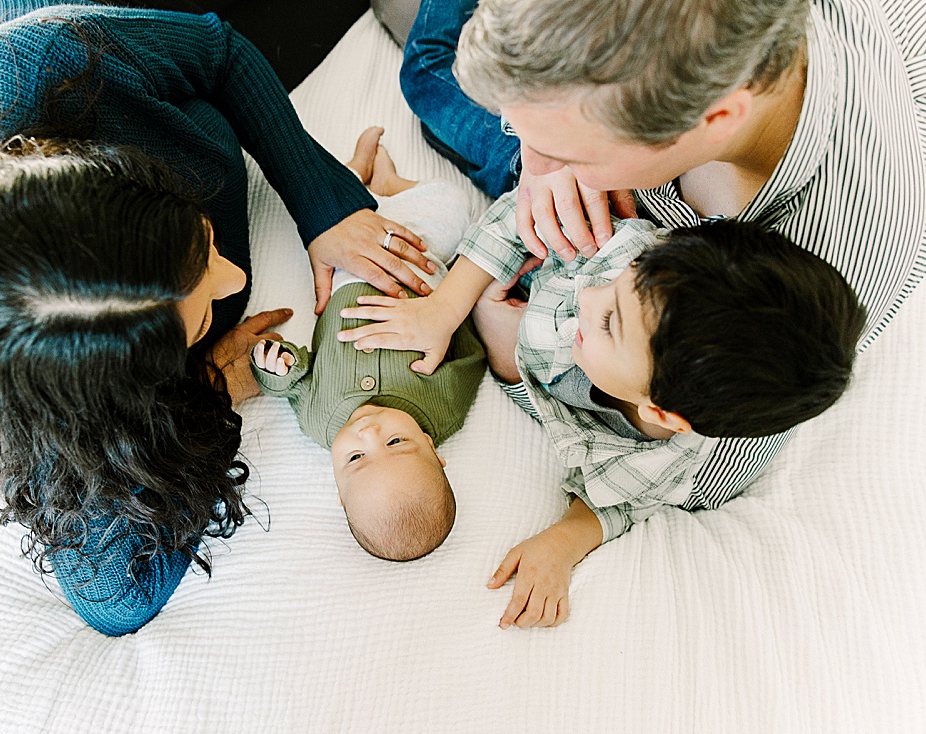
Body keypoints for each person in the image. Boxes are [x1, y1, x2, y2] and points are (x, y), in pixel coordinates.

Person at [0, 0, 435, 636]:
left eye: (200, 240)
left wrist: (323, 204)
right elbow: (114, 599)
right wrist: (213, 387)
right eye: (197, 321)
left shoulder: (56, 60)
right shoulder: (32, 364)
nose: (238, 281)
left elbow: (221, 53)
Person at [394, 0, 926, 571]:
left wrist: (514, 352)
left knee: (427, 70)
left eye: (569, 151)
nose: (538, 158)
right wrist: (545, 143)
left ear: (715, 119)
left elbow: (702, 457)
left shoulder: (811, 271)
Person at [338, 186, 866, 627]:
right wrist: (448, 307)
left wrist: (564, 540)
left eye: (609, 322)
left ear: (659, 415)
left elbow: (625, 500)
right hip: (524, 226)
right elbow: (519, 214)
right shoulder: (628, 259)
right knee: (429, 79)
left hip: (515, 327)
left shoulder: (662, 461)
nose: (590, 295)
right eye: (620, 281)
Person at [250, 128, 485, 561]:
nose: (370, 433)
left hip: (345, 277)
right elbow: (471, 357)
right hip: (418, 263)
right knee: (455, 206)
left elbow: (295, 380)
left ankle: (357, 176)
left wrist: (274, 367)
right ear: (435, 452)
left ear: (338, 486)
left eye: (356, 457)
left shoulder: (319, 422)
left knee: (337, 212)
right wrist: (450, 306)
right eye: (397, 444)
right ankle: (390, 184)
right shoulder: (444, 408)